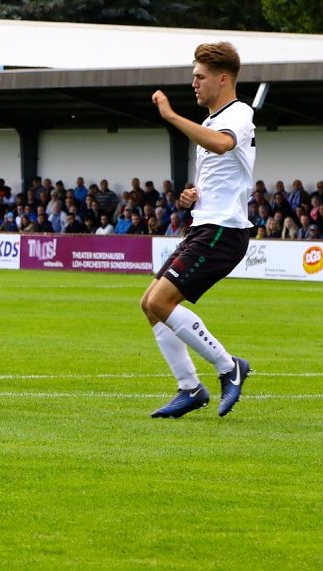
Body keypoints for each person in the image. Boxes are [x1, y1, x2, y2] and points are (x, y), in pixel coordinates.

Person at [142, 42, 254, 419]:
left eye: (199, 77)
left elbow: (223, 145)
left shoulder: (239, 113)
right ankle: (190, 388)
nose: (194, 83)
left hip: (224, 230)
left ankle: (229, 367)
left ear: (222, 79)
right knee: (150, 305)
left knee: (161, 302)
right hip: (204, 225)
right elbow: (220, 171)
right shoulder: (209, 122)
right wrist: (192, 196)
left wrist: (171, 116)